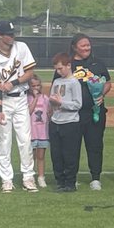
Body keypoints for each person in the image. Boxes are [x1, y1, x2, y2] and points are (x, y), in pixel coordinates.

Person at [0, 22, 38, 192]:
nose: (12, 37)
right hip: (4, 101)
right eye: (8, 34)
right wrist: (0, 111)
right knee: (4, 141)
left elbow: (30, 72)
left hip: (21, 99)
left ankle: (28, 177)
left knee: (25, 140)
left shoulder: (21, 47)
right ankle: (6, 179)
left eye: (13, 33)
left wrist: (14, 82)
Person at [66, 33, 112, 191]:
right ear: (74, 47)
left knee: (95, 145)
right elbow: (59, 84)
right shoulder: (68, 64)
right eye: (83, 45)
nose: (87, 48)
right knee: (73, 146)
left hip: (95, 112)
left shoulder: (97, 63)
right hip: (74, 114)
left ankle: (95, 178)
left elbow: (107, 82)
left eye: (88, 45)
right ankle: (73, 176)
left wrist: (101, 94)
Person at [47, 53, 83, 192]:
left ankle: (70, 182)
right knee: (56, 154)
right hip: (55, 122)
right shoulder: (56, 82)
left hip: (70, 123)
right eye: (56, 69)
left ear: (69, 66)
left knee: (70, 155)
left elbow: (77, 104)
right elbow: (52, 98)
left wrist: (61, 103)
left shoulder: (74, 82)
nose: (58, 71)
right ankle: (59, 181)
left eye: (61, 68)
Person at [27, 75, 49, 189]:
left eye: (38, 85)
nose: (36, 87)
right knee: (31, 157)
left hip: (42, 132)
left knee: (41, 156)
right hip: (31, 133)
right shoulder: (27, 98)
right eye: (33, 86)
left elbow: (49, 112)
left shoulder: (45, 98)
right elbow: (28, 112)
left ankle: (41, 177)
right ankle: (29, 176)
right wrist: (35, 98)